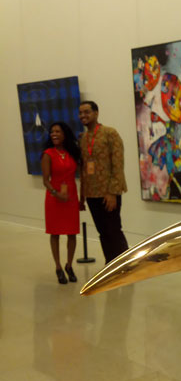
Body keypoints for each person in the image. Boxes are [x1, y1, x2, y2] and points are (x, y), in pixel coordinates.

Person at [78, 100, 129, 264]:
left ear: (96, 113)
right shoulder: (83, 138)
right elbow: (83, 168)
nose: (83, 115)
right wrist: (82, 196)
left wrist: (112, 192)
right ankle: (110, 265)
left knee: (113, 230)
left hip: (108, 193)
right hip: (91, 194)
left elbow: (118, 164)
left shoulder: (110, 133)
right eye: (80, 113)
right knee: (102, 232)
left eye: (87, 112)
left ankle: (125, 267)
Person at [41, 122, 82, 284]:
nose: (54, 134)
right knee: (55, 233)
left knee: (72, 233)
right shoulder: (48, 154)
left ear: (65, 134)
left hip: (71, 196)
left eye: (57, 131)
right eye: (52, 132)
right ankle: (58, 267)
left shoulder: (72, 152)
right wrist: (55, 193)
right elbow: (45, 180)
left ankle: (69, 266)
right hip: (54, 198)